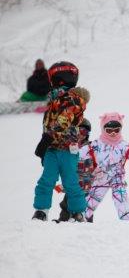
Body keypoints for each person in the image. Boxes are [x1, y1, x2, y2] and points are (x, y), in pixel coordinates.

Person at [32, 61, 91, 222]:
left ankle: (77, 213)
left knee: (70, 182)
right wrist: (45, 146)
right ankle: (41, 211)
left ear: (59, 78)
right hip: (51, 150)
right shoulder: (53, 100)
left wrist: (46, 138)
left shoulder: (75, 99)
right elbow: (48, 124)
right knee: (46, 180)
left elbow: (64, 120)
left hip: (67, 150)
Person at [54, 118, 92, 222]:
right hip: (72, 184)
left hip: (85, 185)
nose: (80, 134)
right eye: (78, 131)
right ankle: (63, 221)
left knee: (84, 205)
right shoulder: (66, 148)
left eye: (84, 132)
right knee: (66, 204)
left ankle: (84, 222)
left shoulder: (91, 148)